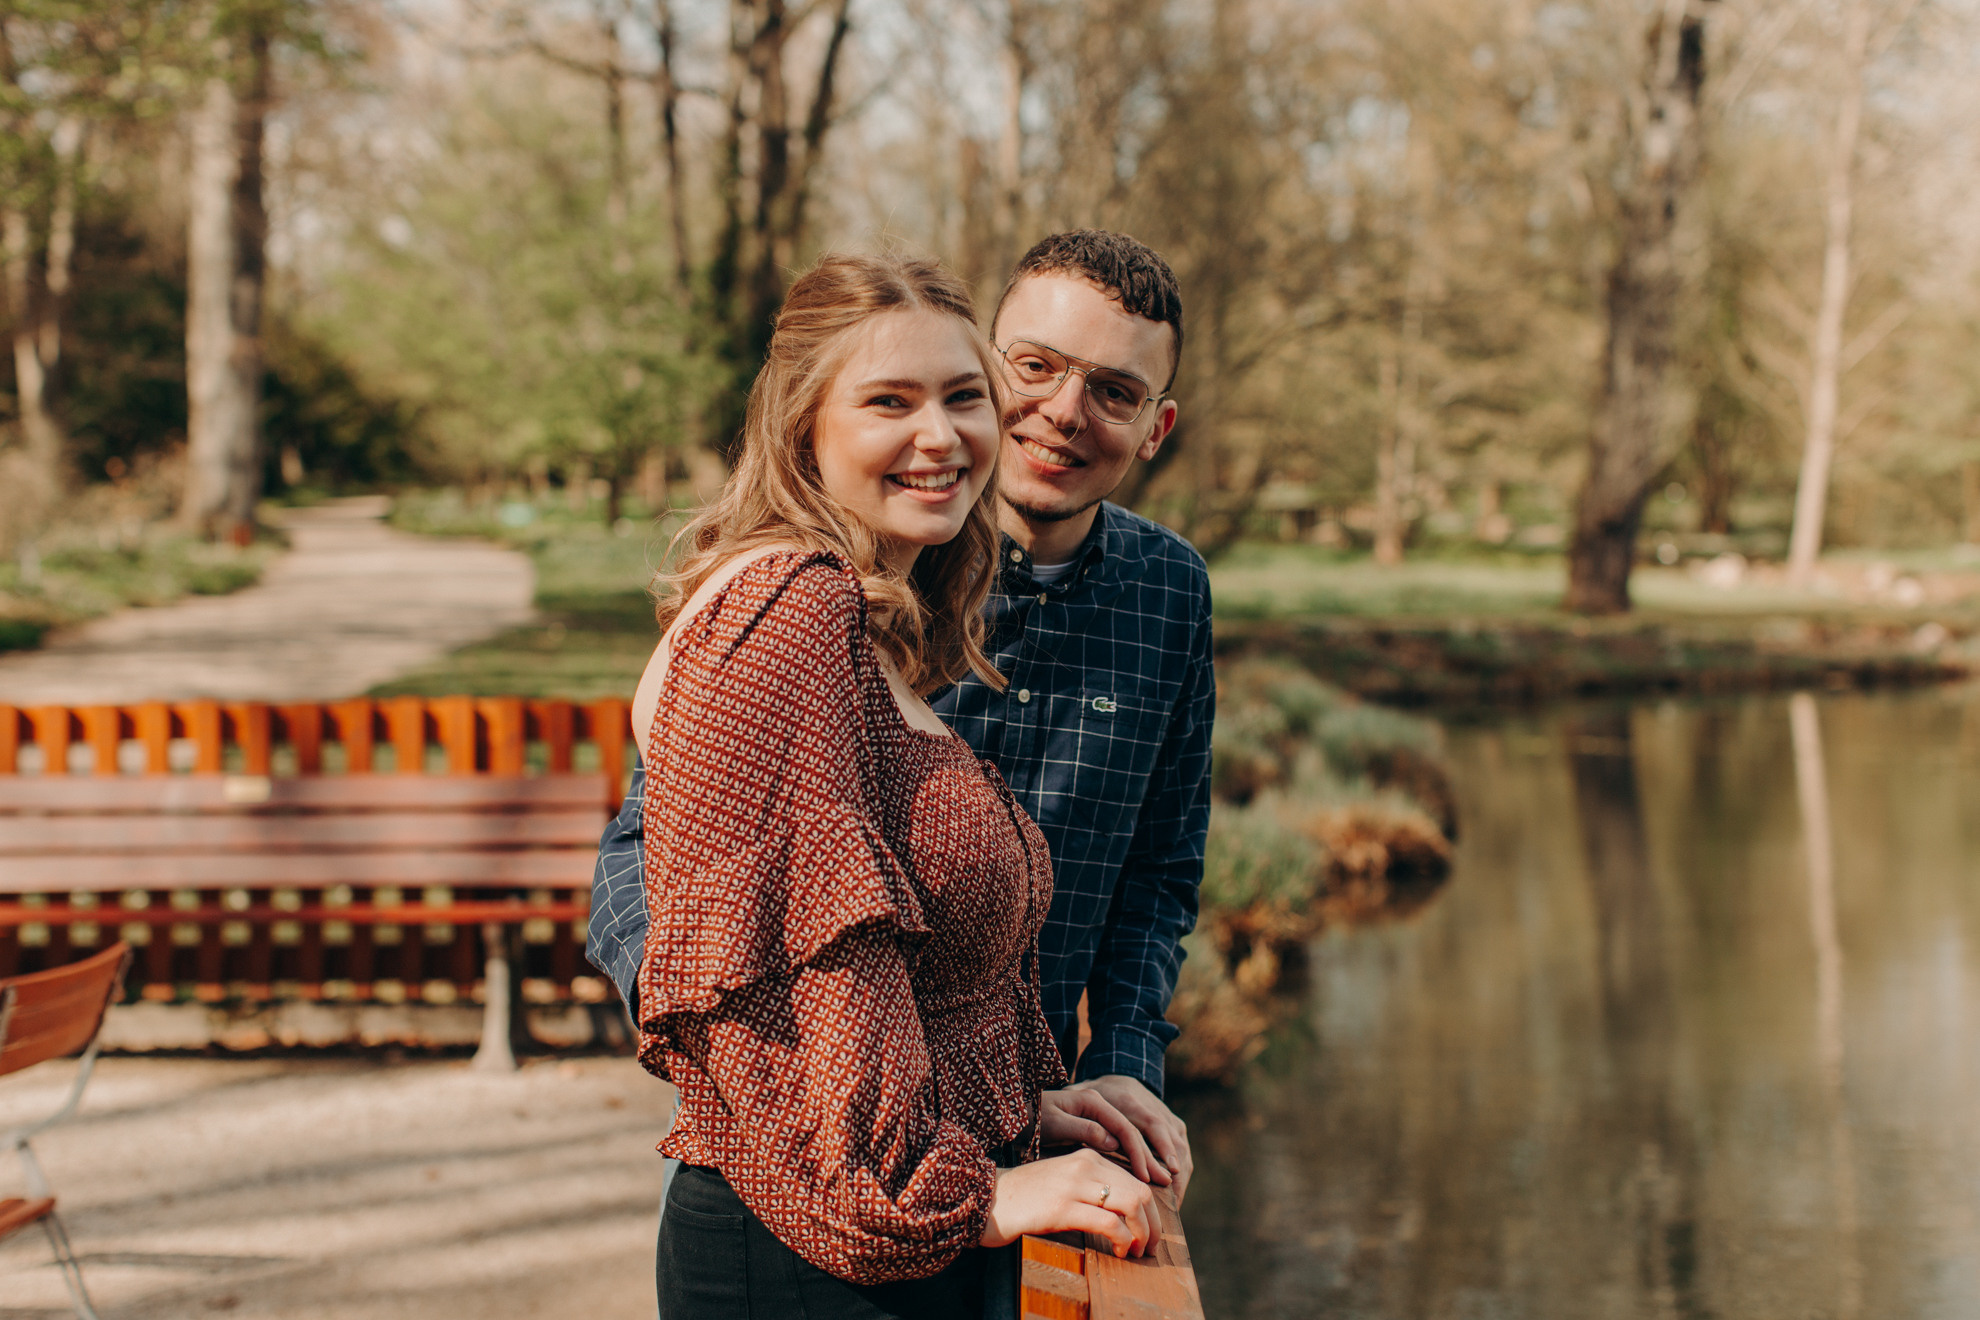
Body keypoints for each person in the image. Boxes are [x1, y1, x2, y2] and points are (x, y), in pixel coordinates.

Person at [592, 228, 1212, 1196]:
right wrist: (743, 1048)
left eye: (1114, 392)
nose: (1061, 412)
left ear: (1154, 428)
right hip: (852, 1157)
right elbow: (652, 846)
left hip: (1031, 1126)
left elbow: (1159, 875)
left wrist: (1123, 1058)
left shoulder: (1172, 591)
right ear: (990, 367)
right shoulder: (826, 591)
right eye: (1034, 370)